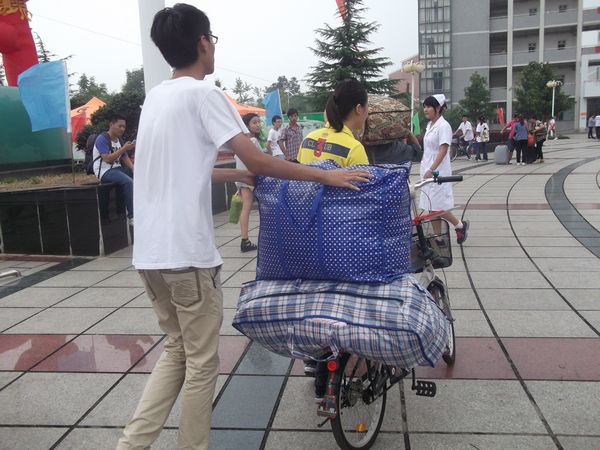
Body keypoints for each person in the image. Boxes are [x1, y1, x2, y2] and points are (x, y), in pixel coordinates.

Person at [119, 5, 370, 450]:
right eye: (212, 39)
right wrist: (326, 176)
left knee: (177, 349)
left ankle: (131, 444)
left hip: (150, 258)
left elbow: (183, 170)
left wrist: (238, 175)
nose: (213, 47)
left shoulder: (155, 98)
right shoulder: (205, 95)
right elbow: (257, 158)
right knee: (201, 364)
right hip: (187, 257)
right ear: (202, 42)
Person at [296, 78, 370, 390]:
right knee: (343, 304)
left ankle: (312, 355)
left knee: (314, 300)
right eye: (367, 108)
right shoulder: (353, 147)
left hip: (305, 234)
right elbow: (364, 201)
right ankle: (335, 362)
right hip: (341, 239)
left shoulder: (309, 139)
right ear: (359, 108)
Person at [420, 94, 469, 244]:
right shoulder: (429, 125)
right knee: (430, 205)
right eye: (424, 106)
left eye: (429, 106)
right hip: (427, 167)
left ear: (438, 108)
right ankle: (438, 238)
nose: (425, 109)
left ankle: (459, 225)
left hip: (438, 171)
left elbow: (443, 149)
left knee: (438, 206)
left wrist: (431, 169)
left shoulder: (444, 126)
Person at [298, 79, 369, 167]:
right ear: (359, 109)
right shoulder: (354, 149)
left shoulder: (308, 139)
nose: (368, 112)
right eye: (368, 105)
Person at [93, 114, 135, 226]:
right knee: (128, 182)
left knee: (139, 177)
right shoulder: (102, 139)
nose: (122, 129)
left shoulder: (119, 140)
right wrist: (123, 149)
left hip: (117, 169)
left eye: (124, 127)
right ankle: (132, 216)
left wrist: (133, 169)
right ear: (111, 124)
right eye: (120, 126)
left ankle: (138, 210)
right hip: (105, 171)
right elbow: (107, 159)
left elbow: (125, 157)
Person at [235, 113, 263, 252]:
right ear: (246, 125)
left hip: (242, 179)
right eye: (254, 122)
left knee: (245, 208)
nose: (258, 125)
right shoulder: (252, 141)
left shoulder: (240, 142)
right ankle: (245, 240)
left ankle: (244, 239)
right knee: (247, 208)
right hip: (250, 179)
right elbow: (259, 161)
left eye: (258, 122)